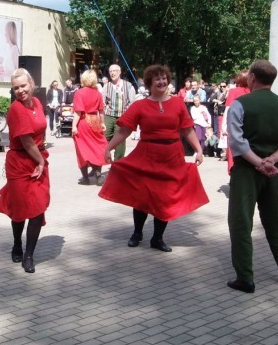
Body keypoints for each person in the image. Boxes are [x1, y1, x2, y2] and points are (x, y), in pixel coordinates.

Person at [99, 64, 209, 252]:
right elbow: (125, 130)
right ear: (150, 83)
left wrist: (198, 149)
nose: (162, 81)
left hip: (172, 157)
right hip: (146, 155)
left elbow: (187, 129)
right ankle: (137, 233)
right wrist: (108, 148)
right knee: (142, 195)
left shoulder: (178, 103)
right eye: (157, 78)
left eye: (164, 78)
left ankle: (157, 238)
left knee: (165, 197)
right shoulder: (139, 105)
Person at [226, 60, 278, 294]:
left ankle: (245, 277)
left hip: (247, 169)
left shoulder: (240, 104)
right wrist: (272, 160)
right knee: (277, 217)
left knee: (241, 220)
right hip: (274, 170)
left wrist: (258, 162)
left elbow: (237, 140)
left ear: (252, 78)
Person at [0, 68, 50, 273]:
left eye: (23, 86)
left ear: (32, 84)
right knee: (20, 210)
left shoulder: (37, 103)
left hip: (38, 160)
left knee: (38, 208)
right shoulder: (16, 109)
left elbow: (40, 131)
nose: (20, 91)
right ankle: (17, 243)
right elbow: (27, 141)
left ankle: (29, 255)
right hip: (20, 163)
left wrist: (41, 159)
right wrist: (41, 161)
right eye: (16, 88)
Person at [72, 70, 107, 185]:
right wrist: (102, 123)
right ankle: (98, 175)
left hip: (83, 122)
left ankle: (85, 178)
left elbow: (78, 112)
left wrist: (73, 126)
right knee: (97, 148)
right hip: (95, 120)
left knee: (82, 149)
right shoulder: (98, 93)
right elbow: (101, 111)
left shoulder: (79, 93)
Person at [103, 64, 136, 160]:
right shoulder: (106, 86)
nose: (112, 73)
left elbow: (132, 103)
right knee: (104, 138)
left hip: (123, 117)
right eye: (111, 71)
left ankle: (118, 164)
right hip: (109, 116)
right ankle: (100, 162)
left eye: (115, 71)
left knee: (120, 142)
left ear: (120, 72)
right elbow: (102, 102)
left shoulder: (128, 86)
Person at [221, 70, 250, 172]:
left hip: (235, 124)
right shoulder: (253, 91)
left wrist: (223, 126)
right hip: (249, 124)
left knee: (233, 149)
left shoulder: (233, 91)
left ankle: (233, 171)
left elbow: (228, 109)